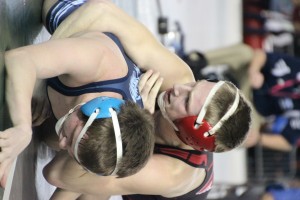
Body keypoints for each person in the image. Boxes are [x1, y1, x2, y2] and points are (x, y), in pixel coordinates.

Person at [37, 0, 253, 199]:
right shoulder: (179, 77)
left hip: (131, 177)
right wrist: (42, 69)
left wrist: (137, 123)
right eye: (194, 85)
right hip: (122, 161)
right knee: (59, 9)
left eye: (186, 101)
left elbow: (59, 175)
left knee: (93, 174)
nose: (179, 89)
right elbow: (103, 11)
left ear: (188, 132)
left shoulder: (173, 173)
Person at [1, 0, 163, 187]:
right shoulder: (97, 61)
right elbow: (19, 60)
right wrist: (22, 127)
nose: (62, 144)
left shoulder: (110, 134)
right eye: (71, 138)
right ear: (97, 107)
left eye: (71, 146)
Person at [245, 47, 300, 151]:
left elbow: (289, 143)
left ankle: (208, 138)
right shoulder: (297, 67)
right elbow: (261, 54)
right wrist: (254, 71)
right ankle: (204, 61)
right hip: (248, 83)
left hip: (254, 112)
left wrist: (259, 138)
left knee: (247, 135)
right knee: (244, 53)